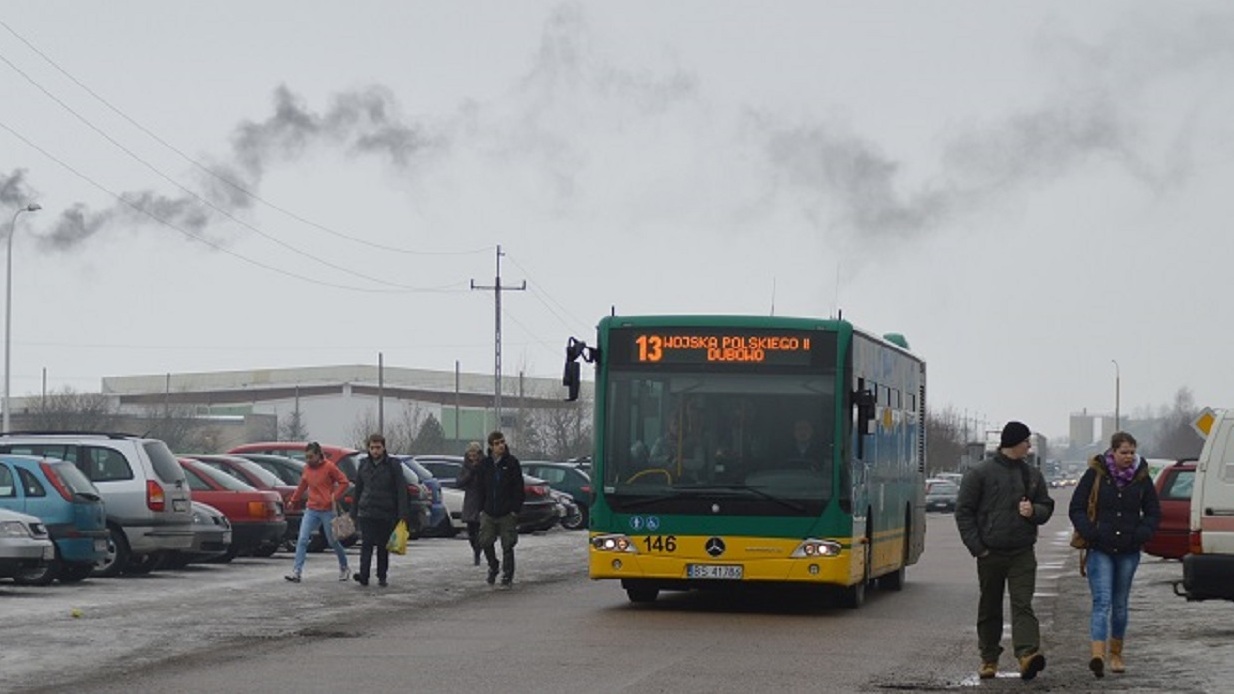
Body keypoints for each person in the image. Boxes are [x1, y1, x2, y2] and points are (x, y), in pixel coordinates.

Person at [954, 421, 1055, 681]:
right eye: (1025, 442)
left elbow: (1046, 505)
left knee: (1023, 604)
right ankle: (989, 658)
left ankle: (1027, 655)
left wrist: (1034, 512)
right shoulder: (980, 474)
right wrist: (978, 548)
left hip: (1022, 551)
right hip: (990, 552)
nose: (1029, 446)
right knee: (990, 606)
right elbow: (964, 512)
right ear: (1013, 443)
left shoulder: (1032, 475)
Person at [1069, 431, 1161, 678]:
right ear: (1113, 452)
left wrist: (1141, 533)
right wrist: (1091, 532)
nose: (1129, 457)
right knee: (1102, 601)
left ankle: (1116, 653)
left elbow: (1153, 512)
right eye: (1124, 452)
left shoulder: (1142, 478)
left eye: (1132, 452)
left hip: (1129, 551)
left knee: (1120, 605)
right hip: (1101, 549)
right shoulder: (1096, 474)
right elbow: (1076, 507)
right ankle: (1097, 654)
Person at [284, 442, 351, 583]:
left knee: (333, 541)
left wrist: (334, 496)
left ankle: (344, 566)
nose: (308, 460)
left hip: (327, 510)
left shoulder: (329, 467)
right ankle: (297, 571)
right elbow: (302, 486)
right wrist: (293, 500)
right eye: (306, 457)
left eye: (311, 457)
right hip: (311, 509)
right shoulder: (307, 469)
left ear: (318, 455)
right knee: (302, 539)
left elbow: (344, 482)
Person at [349, 433, 409, 588]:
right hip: (367, 511)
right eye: (372, 448)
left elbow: (400, 489)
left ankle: (382, 575)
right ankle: (364, 575)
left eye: (378, 447)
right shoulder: (363, 464)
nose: (375, 451)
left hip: (386, 511)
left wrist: (402, 513)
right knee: (366, 544)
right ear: (368, 448)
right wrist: (353, 512)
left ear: (383, 447)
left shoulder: (393, 465)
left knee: (383, 546)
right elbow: (358, 489)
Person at [476, 430, 524, 588]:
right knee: (485, 541)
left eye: (502, 442)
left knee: (508, 544)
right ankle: (493, 565)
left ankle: (507, 575)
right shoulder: (485, 465)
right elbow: (479, 488)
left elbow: (519, 488)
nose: (501, 446)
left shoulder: (511, 463)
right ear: (491, 446)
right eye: (497, 443)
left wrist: (515, 509)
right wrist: (480, 508)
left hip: (507, 512)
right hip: (489, 511)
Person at [455, 441, 485, 566]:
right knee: (471, 532)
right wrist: (470, 473)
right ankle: (476, 550)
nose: (472, 457)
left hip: (482, 502)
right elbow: (460, 482)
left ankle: (478, 552)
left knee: (481, 531)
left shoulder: (484, 465)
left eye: (475, 454)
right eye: (470, 454)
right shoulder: (466, 467)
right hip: (470, 502)